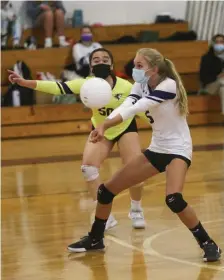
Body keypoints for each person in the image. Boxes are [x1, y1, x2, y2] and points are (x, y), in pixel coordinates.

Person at [67, 48, 222, 262]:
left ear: (154, 69)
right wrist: (104, 125)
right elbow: (126, 104)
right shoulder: (140, 85)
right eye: (134, 64)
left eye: (139, 65)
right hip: (157, 148)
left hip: (178, 149)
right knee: (105, 192)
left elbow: (138, 106)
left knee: (174, 199)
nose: (134, 69)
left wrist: (105, 124)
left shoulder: (169, 85)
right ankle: (95, 239)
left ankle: (208, 243)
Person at [8, 47, 149, 230]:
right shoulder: (86, 84)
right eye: (96, 60)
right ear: (90, 66)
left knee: (135, 172)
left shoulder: (126, 86)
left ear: (112, 64)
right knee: (88, 169)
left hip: (125, 127)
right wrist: (26, 83)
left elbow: (143, 110)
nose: (101, 62)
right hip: (101, 130)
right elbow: (58, 88)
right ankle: (104, 215)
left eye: (105, 59)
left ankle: (136, 209)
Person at [199, 34, 224, 114]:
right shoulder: (206, 58)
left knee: (223, 89)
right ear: (213, 44)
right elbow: (203, 77)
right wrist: (217, 76)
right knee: (222, 82)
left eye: (222, 42)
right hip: (211, 85)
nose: (219, 44)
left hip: (222, 86)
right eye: (217, 42)